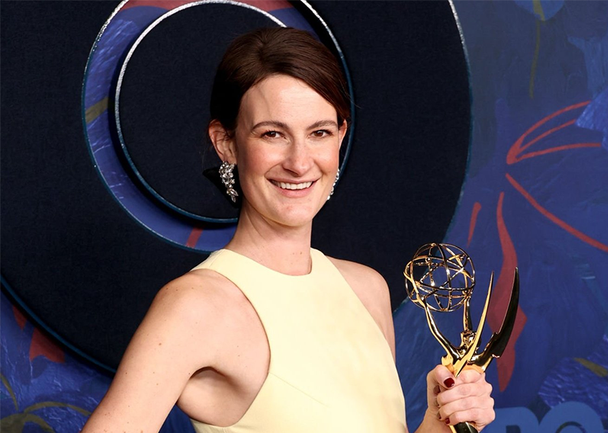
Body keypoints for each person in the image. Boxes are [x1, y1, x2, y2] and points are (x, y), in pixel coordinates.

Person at [82, 27, 494, 433]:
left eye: (319, 133)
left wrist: (439, 425)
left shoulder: (367, 289)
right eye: (273, 134)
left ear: (340, 137)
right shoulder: (196, 306)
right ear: (226, 142)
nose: (299, 162)